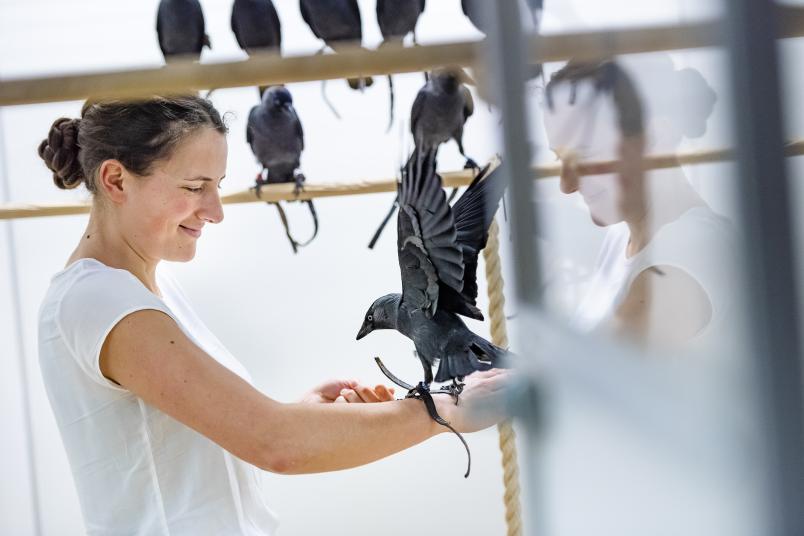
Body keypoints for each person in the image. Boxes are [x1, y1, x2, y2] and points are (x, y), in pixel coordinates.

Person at [36, 96, 509, 535]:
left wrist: (303, 416)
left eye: (217, 187)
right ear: (116, 180)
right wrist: (440, 410)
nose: (216, 211)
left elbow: (229, 442)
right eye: (195, 187)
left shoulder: (149, 292)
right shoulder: (98, 298)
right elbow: (274, 444)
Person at [541, 56, 737, 352]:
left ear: (656, 136)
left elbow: (597, 374)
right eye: (560, 158)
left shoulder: (698, 247)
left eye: (584, 154)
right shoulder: (621, 237)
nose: (566, 185)